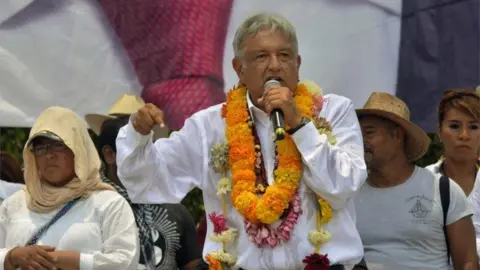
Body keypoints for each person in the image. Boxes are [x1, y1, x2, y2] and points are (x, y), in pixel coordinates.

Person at [116, 12, 367, 269]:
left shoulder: (333, 112)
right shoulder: (209, 126)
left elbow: (344, 186)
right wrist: (138, 134)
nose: (275, 65)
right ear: (239, 69)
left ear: (298, 64)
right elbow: (148, 183)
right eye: (261, 56)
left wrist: (300, 125)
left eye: (284, 55)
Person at [0, 106, 139, 270]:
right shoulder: (14, 204)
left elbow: (126, 261)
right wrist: (12, 256)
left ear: (78, 149)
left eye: (58, 145)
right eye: (40, 147)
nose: (49, 154)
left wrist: (70, 260)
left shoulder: (108, 204)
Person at [355, 92, 478, 269]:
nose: (361, 141)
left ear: (397, 136)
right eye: (357, 133)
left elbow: (467, 262)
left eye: (369, 133)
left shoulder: (442, 190)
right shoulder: (348, 195)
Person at [86, 95, 202, 270]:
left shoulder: (175, 209)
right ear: (110, 154)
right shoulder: (88, 206)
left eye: (148, 148)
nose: (144, 157)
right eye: (133, 147)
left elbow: (192, 265)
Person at [426, 89, 480, 257]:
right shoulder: (422, 181)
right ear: (440, 132)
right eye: (454, 126)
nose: (464, 135)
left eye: (473, 127)